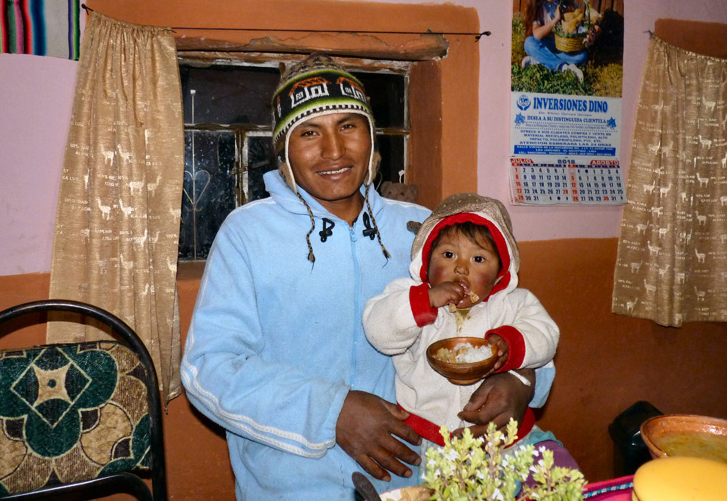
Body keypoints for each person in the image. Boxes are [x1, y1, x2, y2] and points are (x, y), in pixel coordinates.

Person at [180, 54, 551, 501]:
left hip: (419, 474)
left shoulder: (425, 232)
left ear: (371, 137)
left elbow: (507, 315)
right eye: (310, 132)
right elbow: (210, 369)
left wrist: (522, 382)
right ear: (284, 149)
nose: (333, 151)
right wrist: (332, 412)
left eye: (349, 126)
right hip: (291, 482)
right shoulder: (247, 234)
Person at [362, 193, 562, 467]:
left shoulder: (514, 303)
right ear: (426, 260)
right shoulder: (408, 295)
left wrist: (511, 344)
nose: (461, 268)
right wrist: (425, 301)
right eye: (448, 254)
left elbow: (546, 334)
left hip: (502, 436)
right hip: (429, 436)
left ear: (501, 274)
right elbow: (379, 331)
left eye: (479, 259)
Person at [522, 0, 587, 82]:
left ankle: (539, 60)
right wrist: (555, 20)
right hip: (545, 45)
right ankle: (563, 67)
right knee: (529, 43)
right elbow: (536, 34)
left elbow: (579, 21)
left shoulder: (563, 3)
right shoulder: (538, 6)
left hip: (561, 47)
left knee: (582, 56)